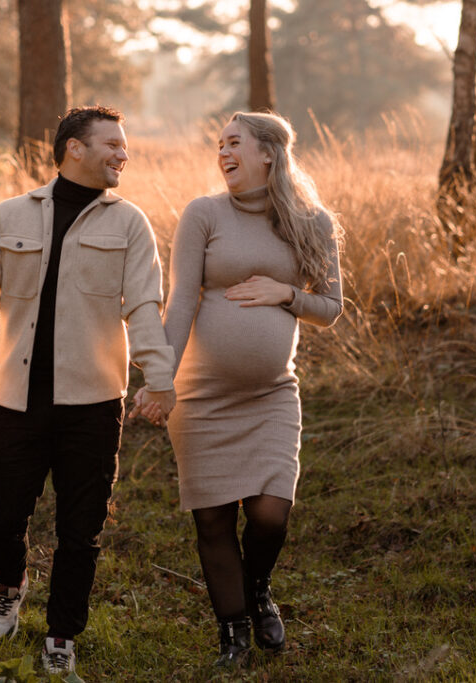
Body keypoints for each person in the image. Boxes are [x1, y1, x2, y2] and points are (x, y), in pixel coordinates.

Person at [0, 105, 175, 675]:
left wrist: (159, 377)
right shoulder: (8, 216)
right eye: (113, 144)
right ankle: (10, 582)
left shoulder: (130, 224)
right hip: (18, 399)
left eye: (125, 146)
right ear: (75, 147)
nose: (124, 154)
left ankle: (61, 637)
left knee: (81, 532)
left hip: (94, 406)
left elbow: (146, 306)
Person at [160, 111, 343, 666]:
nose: (222, 152)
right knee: (213, 518)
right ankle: (233, 635)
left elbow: (330, 308)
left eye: (233, 142)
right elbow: (182, 301)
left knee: (269, 513)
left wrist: (285, 293)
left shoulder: (312, 222)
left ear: (268, 152)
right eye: (218, 145)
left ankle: (257, 585)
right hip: (200, 398)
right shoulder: (203, 214)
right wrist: (159, 378)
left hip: (271, 396)